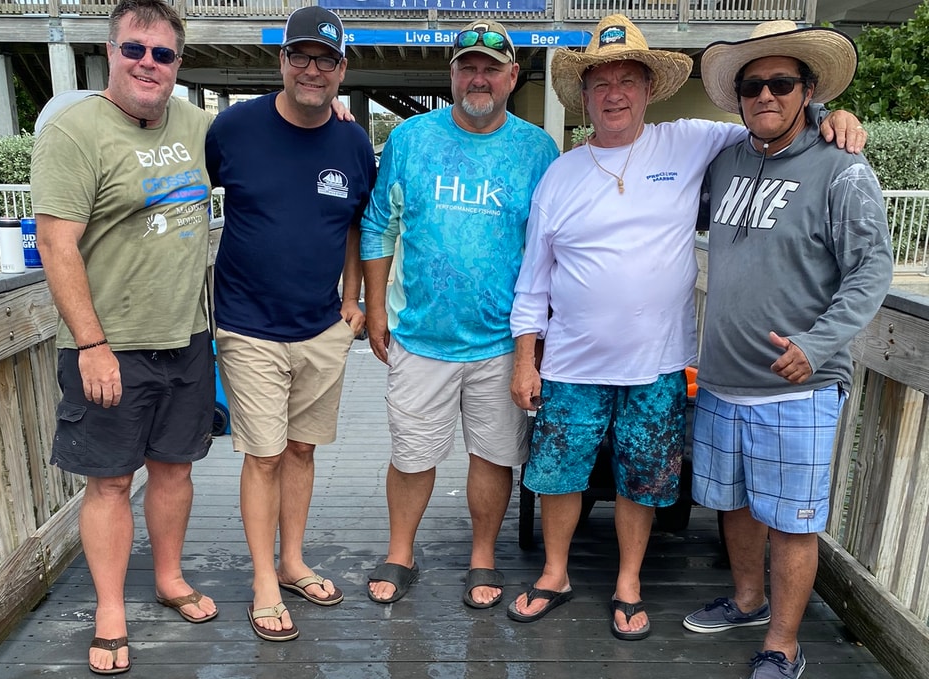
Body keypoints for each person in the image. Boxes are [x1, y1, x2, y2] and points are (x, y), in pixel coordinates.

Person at [507, 14, 864, 638]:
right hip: (569, 361)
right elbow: (534, 278)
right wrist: (523, 357)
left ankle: (628, 582)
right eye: (600, 83)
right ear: (584, 96)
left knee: (641, 478)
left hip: (658, 361)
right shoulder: (558, 175)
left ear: (650, 89)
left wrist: (835, 115)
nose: (614, 93)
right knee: (558, 474)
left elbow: (775, 120)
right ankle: (555, 573)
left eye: (627, 80)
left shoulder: (693, 140)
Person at [683, 21, 893, 679]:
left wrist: (818, 345)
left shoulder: (842, 168)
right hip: (721, 381)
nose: (765, 94)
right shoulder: (726, 163)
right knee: (737, 504)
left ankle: (783, 644)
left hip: (797, 386)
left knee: (795, 522)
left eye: (781, 82)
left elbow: (870, 271)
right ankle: (747, 601)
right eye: (752, 85)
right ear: (738, 97)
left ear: (808, 90)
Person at [32, 0, 217, 676]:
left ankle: (168, 578)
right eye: (135, 49)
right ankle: (110, 608)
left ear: (177, 63)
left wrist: (334, 115)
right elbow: (56, 243)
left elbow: (273, 136)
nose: (148, 63)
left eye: (163, 54)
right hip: (107, 342)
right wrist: (91, 343)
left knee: (175, 469)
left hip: (186, 334)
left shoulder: (198, 126)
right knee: (109, 482)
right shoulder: (75, 132)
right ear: (110, 52)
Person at [360, 20, 559, 610]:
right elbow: (378, 223)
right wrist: (375, 308)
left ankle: (483, 555)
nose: (479, 78)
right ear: (451, 75)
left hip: (502, 340)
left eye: (491, 69)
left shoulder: (537, 149)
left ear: (512, 77)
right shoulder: (410, 139)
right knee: (412, 453)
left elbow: (551, 246)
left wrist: (538, 339)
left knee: (494, 455)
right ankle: (401, 552)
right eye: (468, 67)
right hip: (420, 334)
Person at [206, 7, 376, 642]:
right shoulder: (232, 129)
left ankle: (293, 559)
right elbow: (184, 190)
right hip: (249, 324)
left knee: (302, 448)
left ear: (340, 70)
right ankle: (263, 581)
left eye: (325, 59)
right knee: (265, 454)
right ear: (281, 61)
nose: (312, 69)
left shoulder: (353, 142)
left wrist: (353, 299)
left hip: (322, 326)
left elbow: (359, 222)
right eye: (300, 56)